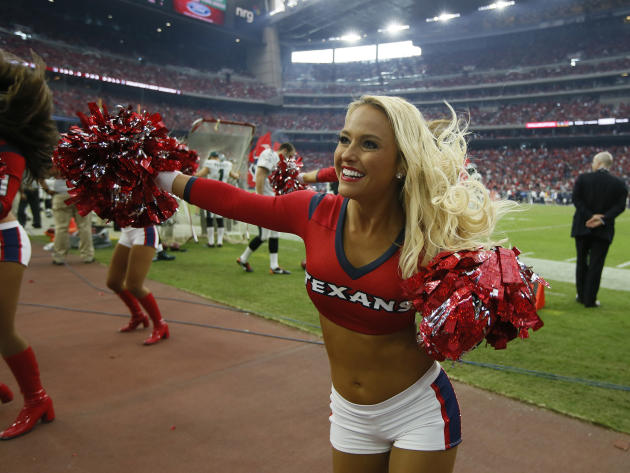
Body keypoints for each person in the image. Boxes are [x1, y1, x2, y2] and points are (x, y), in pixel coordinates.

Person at [156, 95, 512, 472]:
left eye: (369, 144)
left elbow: (486, 303)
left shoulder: (429, 243)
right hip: (349, 413)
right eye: (345, 140)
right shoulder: (312, 212)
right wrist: (155, 173)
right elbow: (236, 202)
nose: (348, 154)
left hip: (416, 410)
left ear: (401, 164)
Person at [0, 49, 59, 440]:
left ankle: (37, 400)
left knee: (2, 330)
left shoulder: (9, 148)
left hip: (4, 243)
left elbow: (1, 203)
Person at [571, 151, 627, 308]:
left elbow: (576, 199)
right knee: (596, 265)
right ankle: (590, 300)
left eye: (594, 161)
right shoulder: (619, 183)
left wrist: (590, 215)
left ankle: (581, 296)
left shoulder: (583, 178)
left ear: (599, 162)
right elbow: (620, 206)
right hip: (604, 229)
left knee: (581, 262)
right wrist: (602, 219)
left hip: (583, 226)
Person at [236, 142, 295, 274]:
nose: (289, 159)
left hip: (271, 202)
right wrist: (260, 199)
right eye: (289, 156)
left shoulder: (276, 161)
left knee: (273, 233)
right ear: (284, 150)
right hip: (265, 202)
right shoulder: (270, 154)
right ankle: (244, 259)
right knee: (264, 235)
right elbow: (260, 175)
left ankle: (272, 266)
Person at [106, 225, 170, 345]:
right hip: (127, 231)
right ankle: (138, 316)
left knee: (134, 285)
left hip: (144, 231)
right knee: (113, 282)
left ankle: (160, 325)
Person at [195, 151, 240, 247]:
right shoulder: (227, 164)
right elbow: (235, 176)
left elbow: (199, 174)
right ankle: (220, 241)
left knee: (210, 218)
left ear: (211, 157)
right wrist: (238, 174)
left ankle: (211, 242)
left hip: (211, 192)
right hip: (223, 193)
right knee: (220, 218)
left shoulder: (210, 164)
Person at [49, 174, 95, 265]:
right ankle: (87, 256)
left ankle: (59, 256)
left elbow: (44, 174)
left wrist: (47, 189)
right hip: (82, 193)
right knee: (84, 227)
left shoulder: (57, 160)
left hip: (61, 193)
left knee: (61, 228)